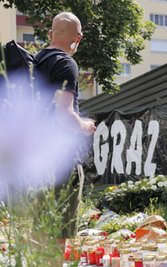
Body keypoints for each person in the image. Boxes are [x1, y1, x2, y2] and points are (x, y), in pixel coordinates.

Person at [36, 12, 96, 244]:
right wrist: (85, 126)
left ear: (51, 34)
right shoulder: (65, 63)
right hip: (60, 162)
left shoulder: (35, 61)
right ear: (78, 38)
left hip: (35, 162)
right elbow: (64, 114)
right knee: (59, 234)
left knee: (39, 231)